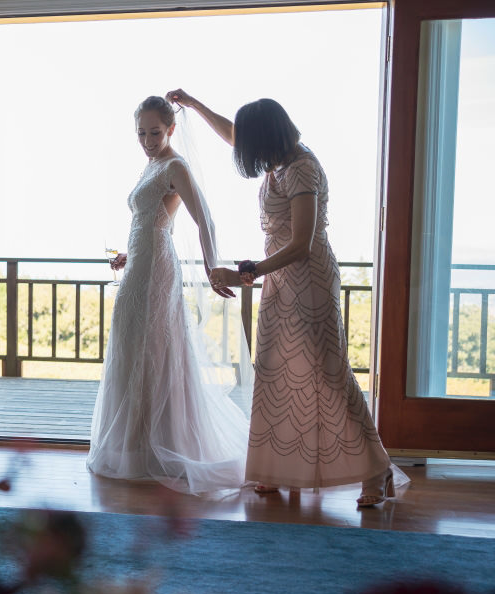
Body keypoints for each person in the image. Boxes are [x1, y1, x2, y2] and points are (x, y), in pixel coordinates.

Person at [167, 89, 405, 506]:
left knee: (329, 375)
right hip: (280, 279)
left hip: (307, 278)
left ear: (268, 139)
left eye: (252, 145)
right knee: (278, 372)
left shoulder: (301, 170)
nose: (246, 152)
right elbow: (233, 134)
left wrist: (248, 274)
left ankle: (376, 470)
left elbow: (302, 243)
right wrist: (195, 104)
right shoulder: (281, 162)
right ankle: (279, 469)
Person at [86, 96, 254, 495]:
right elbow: (151, 218)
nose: (146, 139)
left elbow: (205, 218)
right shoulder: (153, 164)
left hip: (157, 269)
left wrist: (214, 268)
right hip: (140, 264)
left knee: (155, 352)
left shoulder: (176, 165)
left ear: (171, 129)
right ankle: (136, 448)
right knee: (134, 349)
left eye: (154, 132)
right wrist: (130, 252)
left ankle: (160, 448)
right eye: (141, 133)